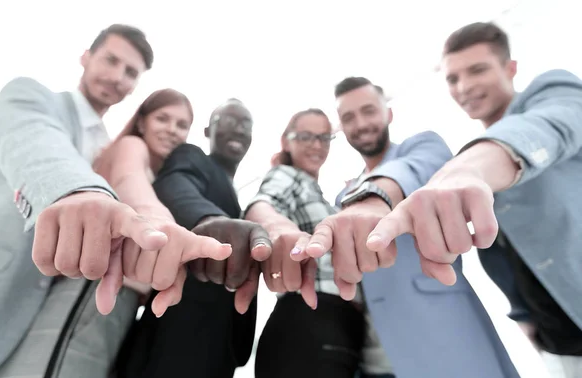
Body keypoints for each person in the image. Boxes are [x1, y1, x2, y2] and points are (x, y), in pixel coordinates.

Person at [0, 25, 230, 378]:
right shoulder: (32, 97)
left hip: (65, 310)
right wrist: (81, 193)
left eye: (130, 72)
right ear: (85, 57)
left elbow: (132, 186)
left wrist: (152, 226)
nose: (117, 76)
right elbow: (38, 148)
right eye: (111, 60)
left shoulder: (110, 143)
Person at [368, 22, 582, 377]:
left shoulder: (552, 92)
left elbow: (547, 127)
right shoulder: (469, 157)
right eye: (453, 79)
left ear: (510, 68)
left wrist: (468, 170)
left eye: (477, 70)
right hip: (556, 344)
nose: (464, 87)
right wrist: (522, 317)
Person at [291, 77, 519, 377]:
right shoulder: (341, 197)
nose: (360, 123)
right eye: (349, 117)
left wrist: (373, 197)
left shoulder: (422, 147)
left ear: (388, 113)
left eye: (369, 111)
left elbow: (411, 170)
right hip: (371, 357)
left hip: (442, 337)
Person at [118, 98, 271, 378]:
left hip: (222, 346)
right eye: (228, 121)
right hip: (179, 335)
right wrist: (208, 220)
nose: (238, 129)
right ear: (206, 131)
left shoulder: (236, 196)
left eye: (245, 125)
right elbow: (174, 183)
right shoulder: (191, 156)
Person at [244, 108, 394, 378]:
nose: (316, 145)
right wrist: (278, 229)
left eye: (324, 138)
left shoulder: (324, 196)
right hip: (312, 316)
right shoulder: (287, 176)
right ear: (286, 141)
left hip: (342, 323)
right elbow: (262, 204)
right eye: (305, 137)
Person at [93, 87, 195, 302]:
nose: (172, 130)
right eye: (162, 119)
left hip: (127, 293)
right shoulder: (132, 145)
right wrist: (156, 218)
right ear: (141, 123)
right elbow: (128, 180)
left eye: (182, 125)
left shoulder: (165, 175)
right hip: (94, 286)